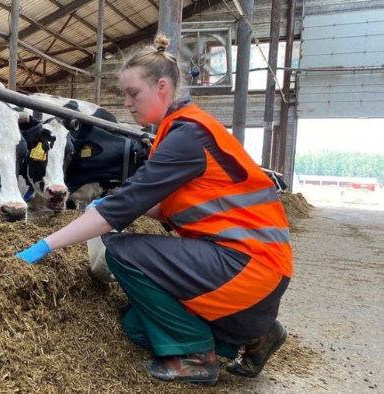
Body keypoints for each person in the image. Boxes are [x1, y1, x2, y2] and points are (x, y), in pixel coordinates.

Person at [15, 35, 293, 387]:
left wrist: (45, 246)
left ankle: (196, 359)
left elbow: (119, 212)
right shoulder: (179, 129)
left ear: (162, 87)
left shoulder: (187, 135)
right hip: (253, 270)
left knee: (122, 249)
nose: (126, 103)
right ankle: (256, 335)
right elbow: (178, 210)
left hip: (247, 265)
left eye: (133, 93)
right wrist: (133, 205)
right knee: (135, 326)